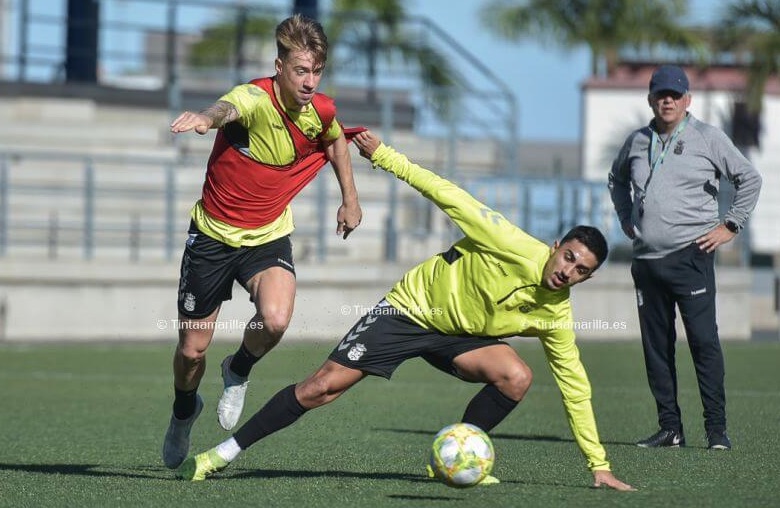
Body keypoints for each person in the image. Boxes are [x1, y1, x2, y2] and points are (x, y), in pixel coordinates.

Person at [176, 130, 635, 491]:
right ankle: (222, 455)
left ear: (586, 279)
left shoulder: (556, 313)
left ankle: (451, 455)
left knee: (517, 377)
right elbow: (445, 192)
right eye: (569, 257)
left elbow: (575, 386)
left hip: (460, 336)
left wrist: (599, 464)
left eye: (581, 270)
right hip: (410, 311)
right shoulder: (511, 243)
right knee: (321, 388)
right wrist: (384, 156)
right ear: (557, 248)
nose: (568, 270)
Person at [162, 14, 363, 469]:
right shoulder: (253, 97)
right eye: (300, 71)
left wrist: (350, 198)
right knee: (192, 351)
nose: (310, 82)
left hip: (266, 236)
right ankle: (182, 411)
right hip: (212, 237)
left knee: (274, 319)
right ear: (279, 66)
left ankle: (238, 370)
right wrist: (205, 118)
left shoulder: (321, 110)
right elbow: (225, 109)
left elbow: (335, 141)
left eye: (316, 72)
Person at [608, 64, 762, 450]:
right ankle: (670, 428)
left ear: (687, 100)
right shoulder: (637, 140)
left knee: (703, 343)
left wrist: (731, 226)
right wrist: (626, 217)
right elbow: (616, 179)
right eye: (661, 95)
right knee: (656, 349)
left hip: (691, 257)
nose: (668, 101)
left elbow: (749, 179)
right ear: (651, 100)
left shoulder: (708, 138)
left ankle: (716, 431)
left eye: (675, 95)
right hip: (646, 263)